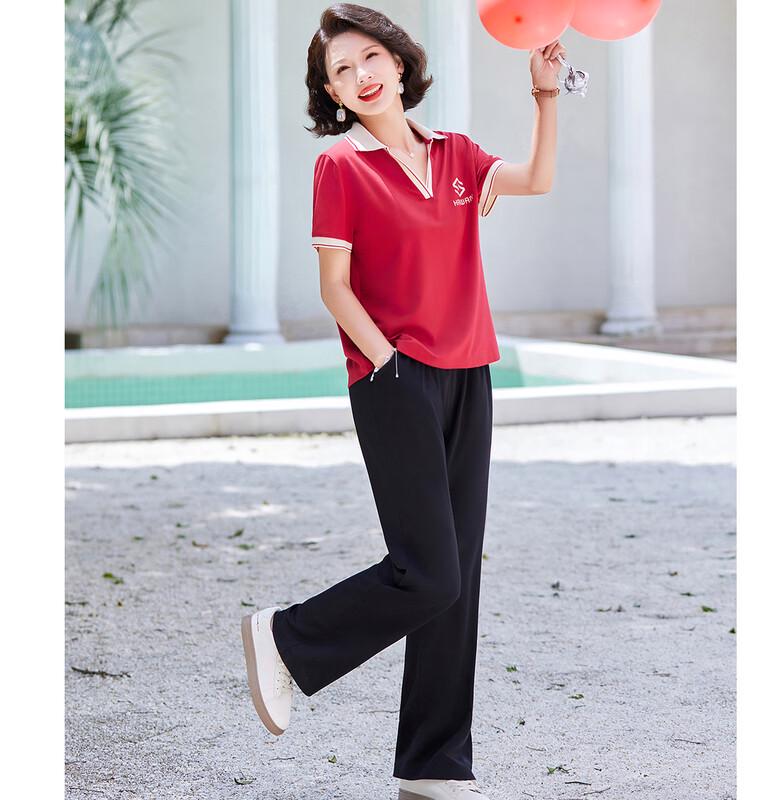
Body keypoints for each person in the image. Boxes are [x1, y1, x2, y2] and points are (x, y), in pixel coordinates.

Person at [240, 4, 564, 798]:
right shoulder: (340, 167)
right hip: (393, 378)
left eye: (369, 57)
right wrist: (390, 366)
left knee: (457, 579)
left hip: (470, 372)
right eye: (341, 71)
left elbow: (537, 179)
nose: (361, 75)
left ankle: (433, 765)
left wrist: (545, 94)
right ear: (332, 94)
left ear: (397, 61)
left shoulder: (456, 153)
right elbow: (335, 287)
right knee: (428, 573)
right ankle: (286, 638)